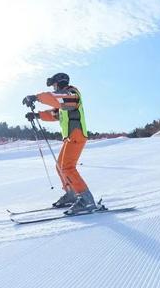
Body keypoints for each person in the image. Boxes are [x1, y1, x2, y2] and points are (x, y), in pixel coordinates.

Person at [22, 73, 98, 215]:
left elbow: (57, 99)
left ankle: (86, 199)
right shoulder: (64, 101)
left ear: (59, 83)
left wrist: (36, 97)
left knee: (67, 167)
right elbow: (55, 114)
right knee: (60, 167)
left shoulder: (72, 94)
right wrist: (37, 115)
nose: (54, 88)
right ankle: (72, 194)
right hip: (70, 137)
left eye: (54, 85)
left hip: (76, 135)